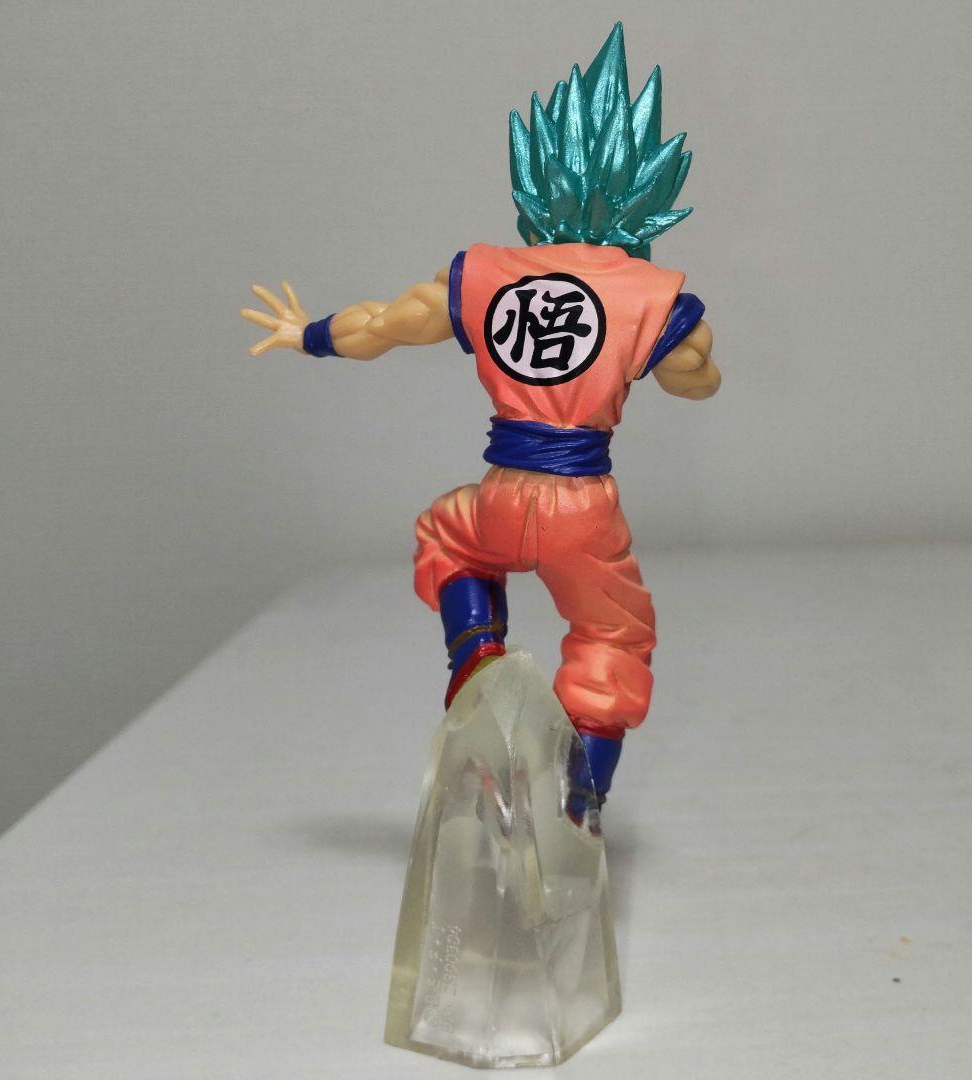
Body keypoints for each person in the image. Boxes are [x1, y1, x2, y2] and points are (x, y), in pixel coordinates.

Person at [241, 24, 721, 808]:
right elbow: (695, 383)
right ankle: (581, 803)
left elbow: (383, 325)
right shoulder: (654, 297)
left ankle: (475, 660)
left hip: (501, 497)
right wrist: (669, 340)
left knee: (446, 536)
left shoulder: (488, 274)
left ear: (534, 181)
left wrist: (308, 335)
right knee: (614, 636)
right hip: (583, 514)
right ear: (649, 196)